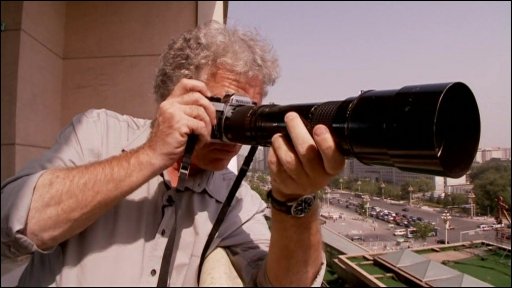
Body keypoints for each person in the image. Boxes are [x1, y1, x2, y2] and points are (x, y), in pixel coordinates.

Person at [1, 20, 345, 286]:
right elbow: (13, 223)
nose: (234, 134)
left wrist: (295, 200)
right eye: (224, 109)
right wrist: (152, 154)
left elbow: (284, 284)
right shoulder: (98, 132)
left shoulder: (236, 199)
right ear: (175, 94)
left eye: (248, 113)